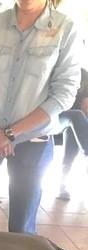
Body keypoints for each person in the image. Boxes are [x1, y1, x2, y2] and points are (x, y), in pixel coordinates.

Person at [0, 0, 82, 234]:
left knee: (23, 231)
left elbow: (64, 93)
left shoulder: (65, 28)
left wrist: (10, 134)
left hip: (32, 142)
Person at [57, 67, 88, 200]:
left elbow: (86, 106)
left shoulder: (84, 76)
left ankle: (62, 188)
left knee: (71, 149)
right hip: (54, 116)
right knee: (77, 116)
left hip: (73, 122)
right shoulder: (58, 70)